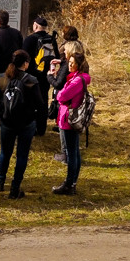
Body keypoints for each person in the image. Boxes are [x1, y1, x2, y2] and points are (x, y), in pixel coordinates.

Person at [0, 50, 42, 199]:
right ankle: (15, 187)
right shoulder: (31, 80)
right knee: (22, 155)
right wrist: (34, 117)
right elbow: (40, 104)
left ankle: (0, 181)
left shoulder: (3, 78)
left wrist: (1, 115)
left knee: (5, 152)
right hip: (26, 123)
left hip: (7, 122)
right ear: (26, 63)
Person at [53, 50, 90, 195]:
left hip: (69, 119)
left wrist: (60, 93)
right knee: (74, 151)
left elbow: (62, 96)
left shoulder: (76, 81)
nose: (70, 65)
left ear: (79, 66)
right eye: (69, 63)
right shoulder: (79, 78)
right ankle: (72, 182)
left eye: (73, 63)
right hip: (70, 118)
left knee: (71, 153)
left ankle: (69, 183)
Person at [23, 14, 59, 136]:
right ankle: (41, 128)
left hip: (32, 75)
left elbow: (23, 56)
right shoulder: (51, 39)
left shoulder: (30, 39)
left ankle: (31, 127)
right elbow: (57, 57)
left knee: (30, 101)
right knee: (43, 100)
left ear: (36, 26)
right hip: (46, 76)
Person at [0, 10, 23, 122]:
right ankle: (13, 113)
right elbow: (21, 49)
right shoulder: (17, 33)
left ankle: (2, 116)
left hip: (0, 70)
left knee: (0, 94)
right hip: (15, 68)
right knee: (15, 92)